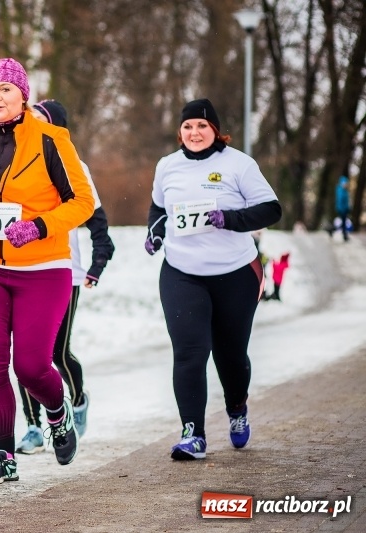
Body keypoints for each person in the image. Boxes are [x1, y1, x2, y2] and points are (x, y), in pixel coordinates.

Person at [0, 58, 95, 484]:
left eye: (5, 89)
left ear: (23, 95)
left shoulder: (51, 139)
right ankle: (3, 455)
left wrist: (39, 226)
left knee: (30, 366)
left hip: (43, 269)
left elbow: (82, 202)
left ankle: (58, 413)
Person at [144, 98, 281, 460]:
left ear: (216, 130)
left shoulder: (239, 164)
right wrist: (155, 233)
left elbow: (272, 209)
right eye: (188, 126)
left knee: (230, 355)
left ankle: (237, 409)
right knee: (189, 351)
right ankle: (193, 434)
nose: (195, 132)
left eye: (202, 126)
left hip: (236, 274)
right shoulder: (167, 166)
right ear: (180, 131)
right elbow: (159, 208)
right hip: (182, 273)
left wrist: (229, 219)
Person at [15, 99, 115, 454]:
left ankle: (77, 399)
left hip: (62, 271)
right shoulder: (12, 157)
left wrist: (98, 263)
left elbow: (98, 224)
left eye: (39, 119)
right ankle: (33, 427)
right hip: (18, 267)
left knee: (56, 352)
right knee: (24, 355)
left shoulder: (74, 165)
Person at [334, 176, 351, 242]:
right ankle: (344, 235)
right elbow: (340, 201)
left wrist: (348, 208)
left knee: (343, 222)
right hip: (342, 210)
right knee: (343, 222)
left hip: (345, 209)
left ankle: (332, 229)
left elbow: (347, 201)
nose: (346, 184)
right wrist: (340, 209)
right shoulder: (340, 191)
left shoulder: (345, 191)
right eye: (345, 183)